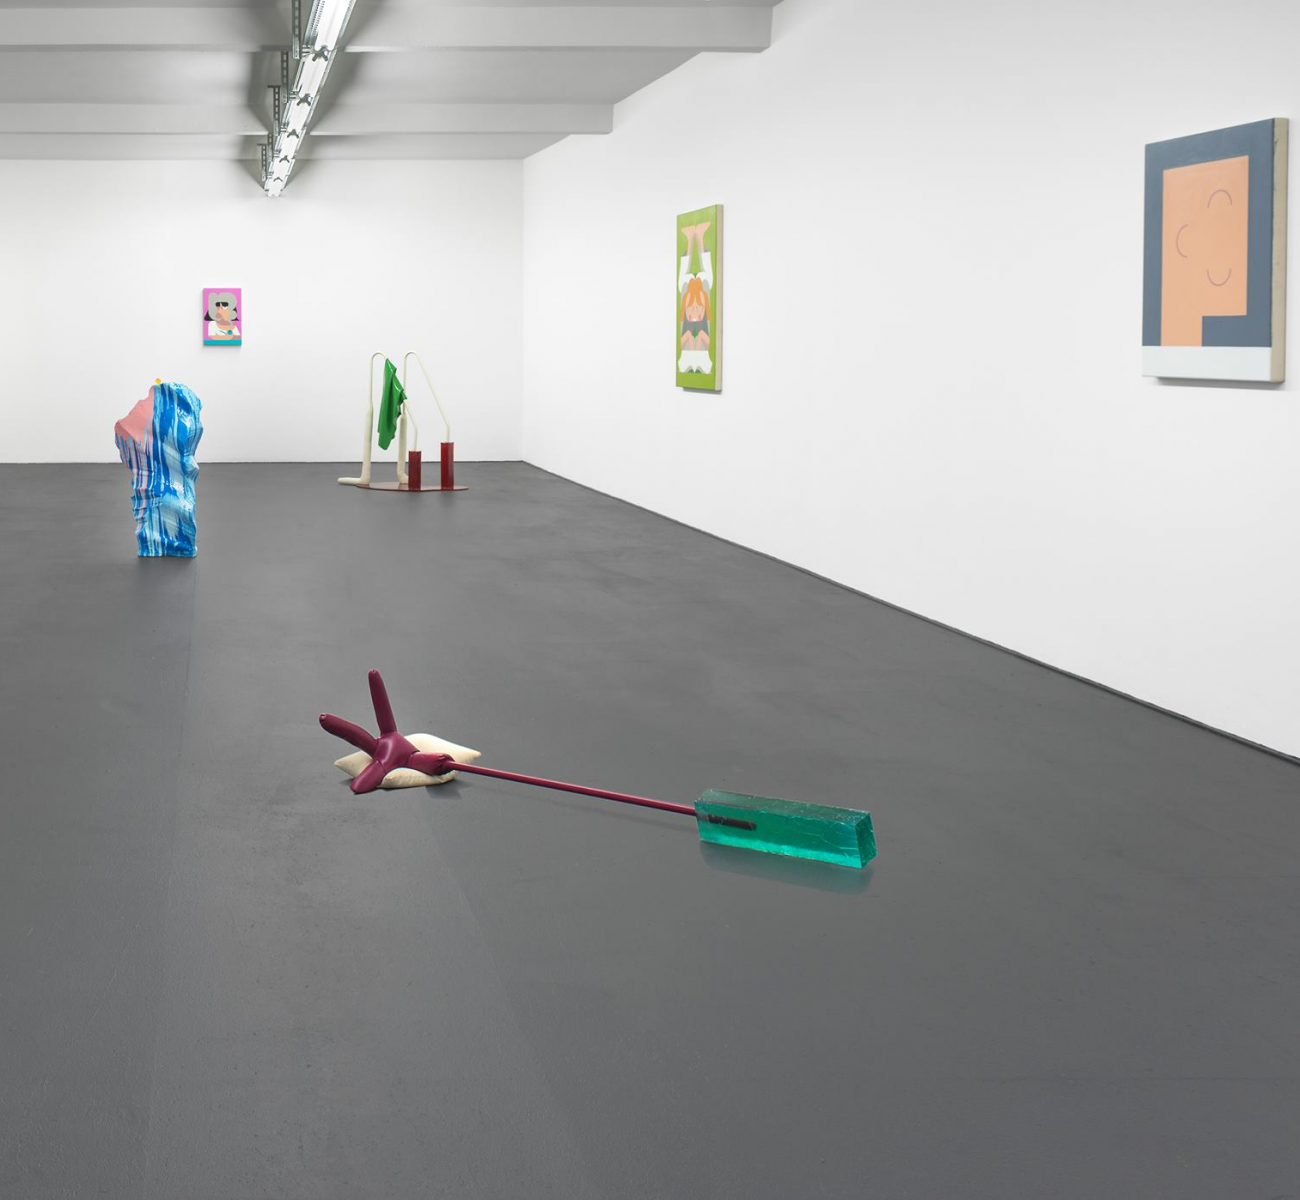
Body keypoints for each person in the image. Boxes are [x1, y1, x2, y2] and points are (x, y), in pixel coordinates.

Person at [678, 223, 713, 376]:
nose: (694, 312)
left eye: (698, 308)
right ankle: (697, 237)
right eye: (691, 309)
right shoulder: (688, 287)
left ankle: (696, 237)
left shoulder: (702, 286)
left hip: (701, 362)